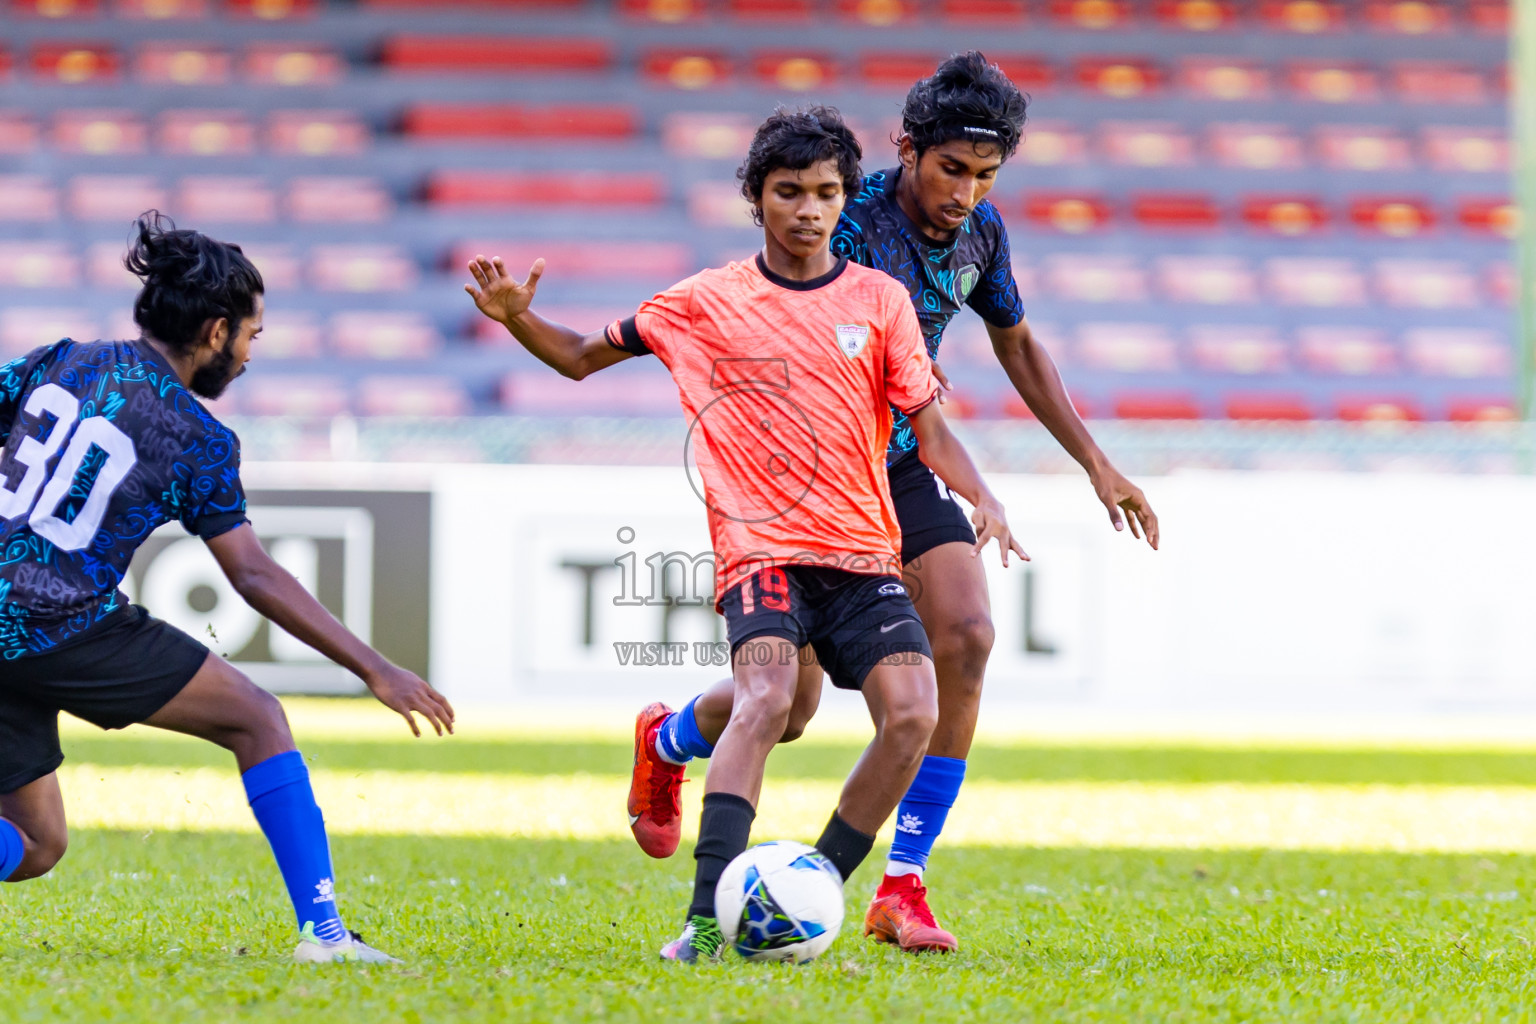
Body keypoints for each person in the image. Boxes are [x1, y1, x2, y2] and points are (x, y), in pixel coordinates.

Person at [627, 51, 1161, 954]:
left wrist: (1095, 463)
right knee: (787, 709)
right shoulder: (846, 216)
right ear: (906, 150)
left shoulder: (983, 234)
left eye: (986, 175)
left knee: (969, 635)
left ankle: (897, 883)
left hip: (903, 465)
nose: (966, 192)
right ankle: (672, 738)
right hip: (811, 479)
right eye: (952, 169)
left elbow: (1020, 346)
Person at [465, 106, 1025, 962]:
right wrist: (514, 318)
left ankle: (808, 889)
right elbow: (581, 355)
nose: (809, 209)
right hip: (760, 555)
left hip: (860, 554)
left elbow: (931, 426)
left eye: (827, 192)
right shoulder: (705, 300)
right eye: (788, 192)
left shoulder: (878, 301)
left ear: (846, 200)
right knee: (769, 700)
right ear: (756, 200)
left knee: (909, 713)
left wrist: (981, 494)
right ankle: (699, 923)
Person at [0, 213, 455, 963]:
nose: (248, 354)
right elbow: (252, 574)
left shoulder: (63, 359)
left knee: (40, 842)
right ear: (216, 331)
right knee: (258, 718)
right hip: (61, 624)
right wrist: (376, 666)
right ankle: (326, 934)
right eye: (252, 335)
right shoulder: (198, 438)